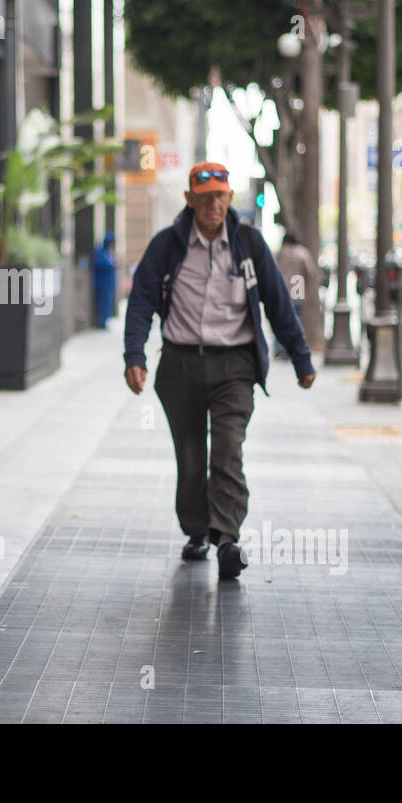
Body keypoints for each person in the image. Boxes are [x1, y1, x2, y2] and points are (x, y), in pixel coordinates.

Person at [123, 161, 315, 578]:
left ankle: (227, 538)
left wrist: (301, 357)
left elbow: (278, 302)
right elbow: (140, 302)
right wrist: (134, 357)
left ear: (230, 198)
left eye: (221, 196)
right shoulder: (167, 246)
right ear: (190, 200)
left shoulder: (249, 243)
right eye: (205, 197)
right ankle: (196, 530)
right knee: (191, 457)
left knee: (228, 450)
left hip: (235, 366)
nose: (214, 204)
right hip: (179, 365)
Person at [274, 232, 316, 359]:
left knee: (279, 322)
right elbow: (310, 272)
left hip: (280, 292)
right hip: (297, 291)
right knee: (296, 322)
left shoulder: (278, 254)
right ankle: (294, 348)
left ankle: (280, 348)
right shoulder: (302, 253)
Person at [93, 233, 118, 328]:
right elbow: (100, 264)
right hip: (102, 284)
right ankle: (100, 322)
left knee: (107, 304)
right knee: (101, 304)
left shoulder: (109, 253)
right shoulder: (100, 252)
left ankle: (105, 321)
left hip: (108, 284)